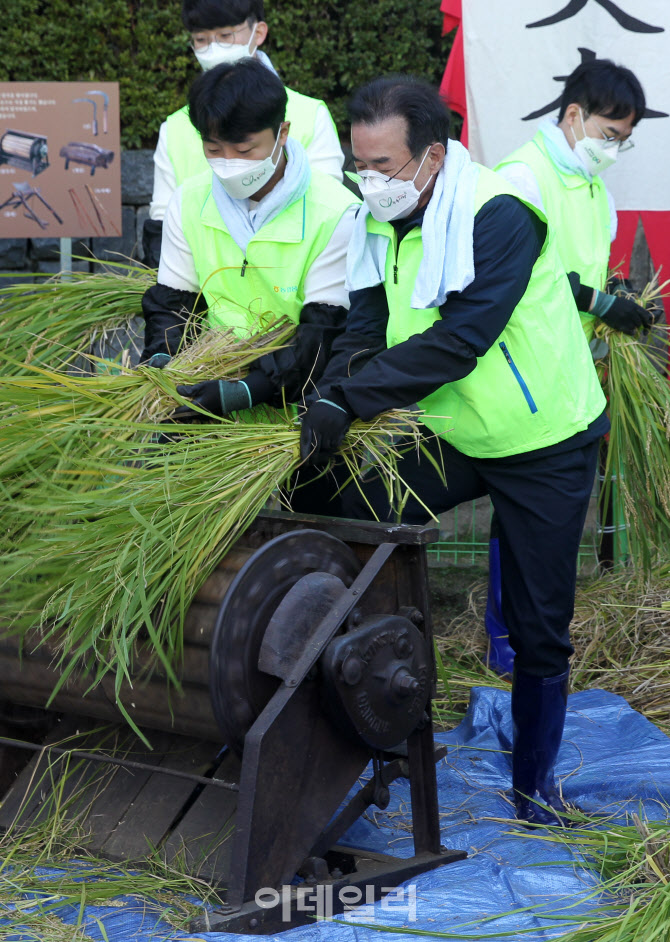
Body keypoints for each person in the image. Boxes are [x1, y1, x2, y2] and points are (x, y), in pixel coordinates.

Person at [299, 75, 608, 825]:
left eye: (385, 167)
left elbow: (460, 340)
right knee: (349, 509)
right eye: (358, 165)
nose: (370, 182)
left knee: (538, 625)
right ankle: (364, 699)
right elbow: (364, 327)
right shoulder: (377, 221)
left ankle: (533, 791)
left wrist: (357, 398)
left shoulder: (499, 213)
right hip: (455, 427)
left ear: (434, 157)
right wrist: (335, 391)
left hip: (544, 438)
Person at [484, 60, 656, 674]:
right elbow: (515, 274)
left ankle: (527, 642)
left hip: (567, 377)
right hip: (523, 381)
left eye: (624, 139)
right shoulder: (520, 177)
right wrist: (595, 299)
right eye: (610, 134)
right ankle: (506, 642)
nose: (615, 149)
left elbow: (584, 262)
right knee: (520, 511)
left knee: (544, 523)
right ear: (574, 114)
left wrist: (613, 294)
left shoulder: (590, 185)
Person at [139, 57, 358, 425]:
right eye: (213, 150)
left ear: (282, 132)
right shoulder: (189, 201)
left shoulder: (335, 212)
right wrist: (163, 358)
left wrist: (247, 390)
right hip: (205, 390)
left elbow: (322, 332)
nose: (229, 164)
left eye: (244, 151)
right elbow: (174, 303)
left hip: (302, 406)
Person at [143, 0, 344, 267]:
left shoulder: (309, 113)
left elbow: (328, 212)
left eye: (226, 36)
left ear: (258, 33)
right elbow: (163, 218)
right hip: (202, 286)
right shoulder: (176, 126)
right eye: (201, 40)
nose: (213, 48)